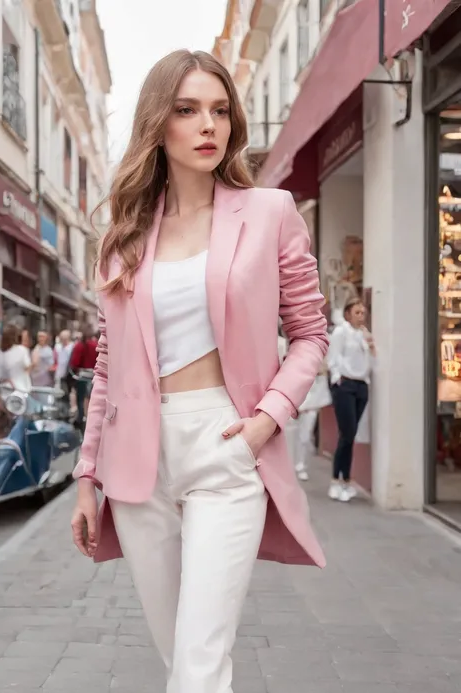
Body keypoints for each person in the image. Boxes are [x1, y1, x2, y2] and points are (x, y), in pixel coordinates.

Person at [70, 49, 328, 693]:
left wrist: (265, 424)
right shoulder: (124, 236)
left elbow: (310, 333)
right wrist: (85, 476)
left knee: (198, 666)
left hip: (225, 445)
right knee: (176, 658)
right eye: (187, 110)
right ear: (159, 123)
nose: (208, 125)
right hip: (138, 460)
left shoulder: (269, 212)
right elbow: (108, 366)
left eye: (219, 110)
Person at [327, 297, 376, 502]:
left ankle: (343, 481)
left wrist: (371, 347)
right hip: (345, 385)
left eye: (362, 313)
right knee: (347, 433)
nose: (360, 316)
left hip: (361, 386)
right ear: (347, 314)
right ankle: (338, 480)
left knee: (350, 435)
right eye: (356, 312)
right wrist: (337, 379)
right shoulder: (341, 332)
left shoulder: (364, 335)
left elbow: (372, 361)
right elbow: (333, 358)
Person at [69, 325, 98, 425]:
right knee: (92, 399)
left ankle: (80, 418)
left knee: (80, 399)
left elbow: (75, 362)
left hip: (82, 376)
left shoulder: (79, 345)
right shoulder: (96, 345)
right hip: (94, 375)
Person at [0, 324, 32, 392]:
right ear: (15, 336)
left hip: (3, 391)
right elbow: (27, 367)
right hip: (20, 391)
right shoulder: (22, 350)